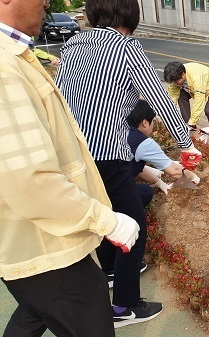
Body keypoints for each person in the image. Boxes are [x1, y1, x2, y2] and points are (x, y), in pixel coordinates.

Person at [55, 0, 201, 328]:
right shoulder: (125, 46)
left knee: (107, 216)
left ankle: (109, 271)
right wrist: (186, 145)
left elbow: (61, 99)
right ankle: (124, 308)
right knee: (133, 226)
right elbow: (160, 98)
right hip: (109, 152)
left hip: (79, 155)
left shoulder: (72, 44)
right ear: (130, 13)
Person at [0, 0, 140, 335]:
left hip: (33, 238)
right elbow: (28, 179)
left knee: (34, 311)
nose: (48, 2)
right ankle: (127, 304)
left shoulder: (60, 46)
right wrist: (107, 220)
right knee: (86, 318)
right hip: (48, 242)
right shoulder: (4, 68)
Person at [127, 99, 201, 197]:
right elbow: (174, 171)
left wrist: (159, 183)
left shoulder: (121, 129)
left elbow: (133, 165)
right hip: (112, 188)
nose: (153, 125)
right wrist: (194, 177)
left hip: (103, 180)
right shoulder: (143, 142)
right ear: (145, 123)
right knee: (146, 192)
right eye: (153, 121)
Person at [164, 61, 209, 130]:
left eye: (176, 82)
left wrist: (193, 121)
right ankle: (188, 124)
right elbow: (172, 95)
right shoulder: (176, 74)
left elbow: (198, 102)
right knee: (181, 94)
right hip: (192, 89)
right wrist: (169, 111)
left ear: (183, 75)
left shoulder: (196, 79)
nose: (175, 83)